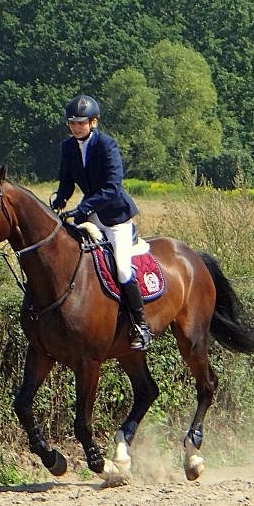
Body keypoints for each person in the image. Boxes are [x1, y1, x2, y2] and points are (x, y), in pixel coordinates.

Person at [51, 94, 153, 351]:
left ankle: (141, 325)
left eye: (81, 123)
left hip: (115, 217)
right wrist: (59, 200)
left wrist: (82, 207)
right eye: (72, 123)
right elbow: (67, 180)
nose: (75, 127)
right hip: (91, 215)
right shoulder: (68, 147)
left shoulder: (107, 145)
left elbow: (112, 186)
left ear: (93, 122)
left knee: (121, 269)